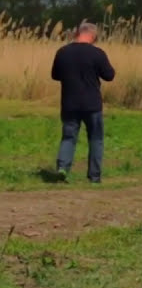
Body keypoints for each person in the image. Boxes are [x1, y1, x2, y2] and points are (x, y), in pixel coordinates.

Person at [50, 21, 116, 183]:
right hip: (92, 104)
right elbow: (109, 75)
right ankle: (94, 176)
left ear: (77, 33)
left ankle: (63, 169)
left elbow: (55, 75)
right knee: (95, 139)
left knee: (68, 138)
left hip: (69, 103)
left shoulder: (62, 52)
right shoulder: (97, 53)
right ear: (93, 36)